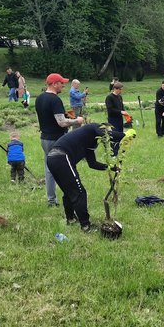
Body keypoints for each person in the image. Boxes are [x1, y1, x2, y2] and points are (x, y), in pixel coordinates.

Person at [47, 123, 124, 233]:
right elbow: (105, 133)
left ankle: (71, 219)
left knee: (69, 192)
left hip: (53, 159)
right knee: (79, 192)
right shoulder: (94, 127)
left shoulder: (89, 143)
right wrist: (124, 135)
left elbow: (92, 164)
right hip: (61, 157)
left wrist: (112, 168)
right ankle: (86, 226)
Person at [35, 73, 83, 207]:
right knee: (65, 168)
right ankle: (71, 196)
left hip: (44, 138)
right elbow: (61, 122)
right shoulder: (55, 100)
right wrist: (76, 120)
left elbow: (48, 117)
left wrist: (65, 114)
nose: (63, 85)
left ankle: (51, 200)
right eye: (62, 83)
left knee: (49, 169)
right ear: (54, 84)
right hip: (57, 140)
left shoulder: (40, 98)